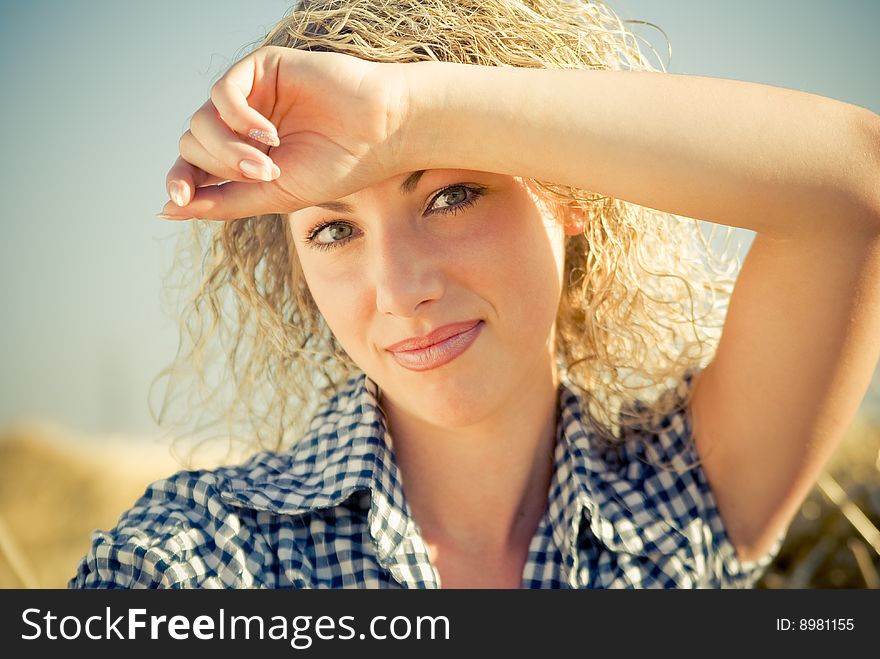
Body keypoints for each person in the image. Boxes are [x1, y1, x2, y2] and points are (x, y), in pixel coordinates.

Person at [70, 0, 880, 589]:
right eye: (333, 231)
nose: (400, 290)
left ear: (572, 193)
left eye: (452, 196)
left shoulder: (677, 501)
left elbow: (858, 186)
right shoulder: (196, 563)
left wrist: (409, 109)